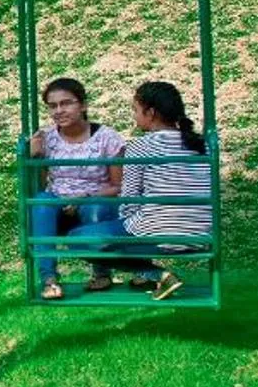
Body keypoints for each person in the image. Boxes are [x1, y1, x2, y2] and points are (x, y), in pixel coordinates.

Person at [25, 76, 126, 300]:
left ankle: (101, 272)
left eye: (66, 103)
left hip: (94, 205)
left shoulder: (106, 138)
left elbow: (118, 186)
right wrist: (36, 157)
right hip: (58, 207)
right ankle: (49, 279)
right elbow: (39, 187)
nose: (59, 111)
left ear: (83, 105)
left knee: (96, 207)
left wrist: (85, 197)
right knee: (41, 202)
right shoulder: (47, 139)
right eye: (52, 106)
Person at [116, 79, 215, 301]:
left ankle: (158, 274)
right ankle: (155, 275)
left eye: (136, 110)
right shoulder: (202, 145)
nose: (134, 116)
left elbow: (130, 198)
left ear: (150, 113)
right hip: (201, 235)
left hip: (159, 236)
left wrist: (127, 225)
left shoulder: (140, 146)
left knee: (81, 239)